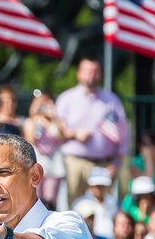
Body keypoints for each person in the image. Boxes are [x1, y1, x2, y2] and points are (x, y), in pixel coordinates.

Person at [55, 58, 128, 204]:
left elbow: (124, 135)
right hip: (75, 163)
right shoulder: (66, 99)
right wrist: (75, 134)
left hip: (104, 165)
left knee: (104, 211)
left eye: (95, 71)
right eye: (88, 71)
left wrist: (116, 163)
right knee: (73, 209)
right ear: (79, 74)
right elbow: (57, 131)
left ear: (100, 75)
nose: (91, 75)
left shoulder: (112, 101)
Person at [23, 91, 65, 209]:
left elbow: (61, 135)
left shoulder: (56, 122)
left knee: (51, 200)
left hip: (54, 164)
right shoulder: (31, 121)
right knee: (36, 198)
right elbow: (30, 138)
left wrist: (52, 117)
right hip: (37, 161)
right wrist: (36, 116)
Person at [72, 166, 117, 239]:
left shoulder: (113, 202)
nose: (100, 189)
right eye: (97, 185)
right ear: (90, 186)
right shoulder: (80, 204)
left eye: (103, 185)